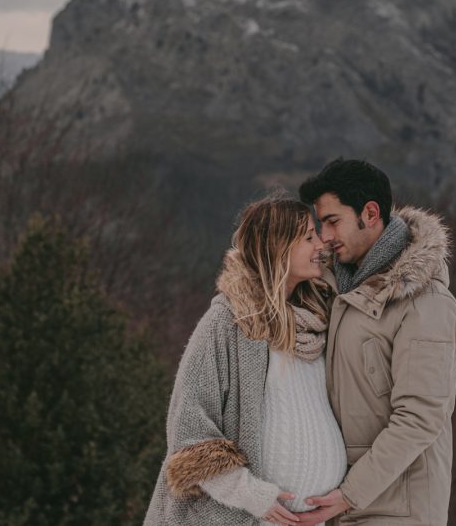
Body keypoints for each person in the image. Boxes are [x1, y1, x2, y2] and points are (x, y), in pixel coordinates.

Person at [144, 195, 348, 525]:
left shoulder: (317, 321)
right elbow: (189, 432)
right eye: (308, 237)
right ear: (277, 246)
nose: (320, 244)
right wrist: (252, 495)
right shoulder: (229, 323)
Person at [294, 158, 456, 526]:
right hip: (344, 505)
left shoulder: (426, 304)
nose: (324, 235)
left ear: (370, 213)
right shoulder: (340, 289)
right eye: (320, 223)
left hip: (397, 511)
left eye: (333, 221)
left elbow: (419, 418)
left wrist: (348, 495)